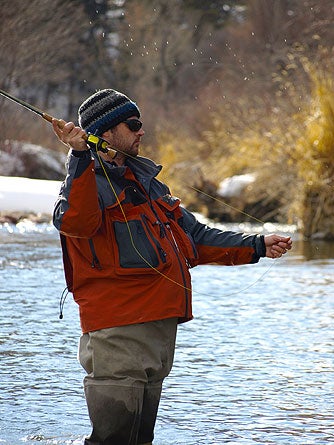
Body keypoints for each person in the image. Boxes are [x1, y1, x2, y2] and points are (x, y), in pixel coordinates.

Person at [52, 88, 292, 445]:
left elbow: (193, 236)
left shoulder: (146, 182)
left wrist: (256, 245)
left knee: (140, 440)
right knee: (112, 440)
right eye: (132, 124)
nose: (141, 131)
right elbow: (73, 221)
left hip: (158, 337)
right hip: (118, 334)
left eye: (140, 123)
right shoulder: (87, 183)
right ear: (105, 133)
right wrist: (79, 155)